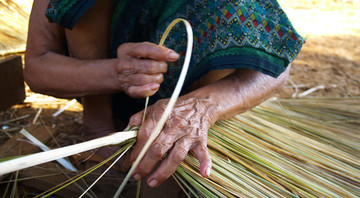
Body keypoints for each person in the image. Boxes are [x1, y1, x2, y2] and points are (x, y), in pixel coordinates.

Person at [24, 0, 304, 188]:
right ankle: (98, 129)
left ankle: (182, 143)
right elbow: (37, 67)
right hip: (98, 85)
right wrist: (117, 72)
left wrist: (203, 106)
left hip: (187, 97)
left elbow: (276, 66)